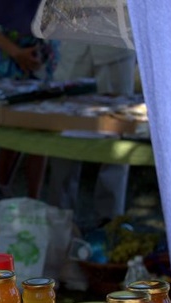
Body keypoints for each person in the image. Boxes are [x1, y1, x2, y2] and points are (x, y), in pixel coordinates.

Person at [47, 42, 137, 225]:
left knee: (117, 133)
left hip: (116, 45)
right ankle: (59, 223)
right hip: (73, 43)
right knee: (64, 133)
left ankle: (110, 224)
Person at [0, 21, 58, 198]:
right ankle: (3, 199)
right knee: (9, 138)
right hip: (11, 70)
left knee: (40, 136)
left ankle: (33, 202)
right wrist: (15, 52)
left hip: (43, 68)